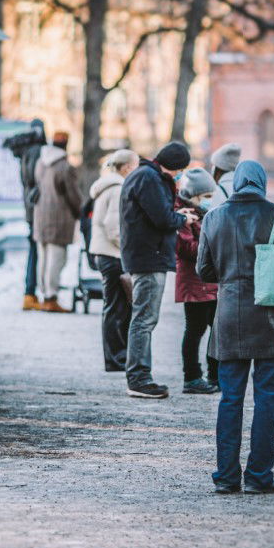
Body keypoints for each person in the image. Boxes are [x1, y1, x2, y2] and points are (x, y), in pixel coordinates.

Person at [197, 160, 274, 494]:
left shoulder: (213, 217)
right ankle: (259, 476)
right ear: (261, 182)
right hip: (271, 320)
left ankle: (226, 476)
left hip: (230, 318)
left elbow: (205, 271)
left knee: (230, 399)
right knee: (267, 400)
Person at [120, 141, 194, 399]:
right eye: (180, 171)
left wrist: (177, 213)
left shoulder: (144, 175)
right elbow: (161, 218)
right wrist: (182, 218)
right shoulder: (150, 179)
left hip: (145, 255)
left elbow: (156, 212)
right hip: (149, 257)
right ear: (173, 166)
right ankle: (139, 378)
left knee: (143, 318)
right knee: (145, 319)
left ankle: (139, 375)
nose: (180, 175)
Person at [90, 149, 138, 372]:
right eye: (135, 166)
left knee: (114, 307)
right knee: (117, 308)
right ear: (126, 167)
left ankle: (116, 357)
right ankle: (116, 358)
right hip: (113, 254)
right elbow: (113, 227)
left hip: (105, 253)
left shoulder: (106, 187)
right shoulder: (118, 190)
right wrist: (127, 247)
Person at [176, 168, 220, 395]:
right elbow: (186, 248)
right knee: (195, 330)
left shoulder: (205, 214)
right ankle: (192, 377)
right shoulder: (183, 216)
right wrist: (212, 245)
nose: (209, 200)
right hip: (193, 281)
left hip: (209, 281)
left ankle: (215, 374)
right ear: (194, 195)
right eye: (206, 196)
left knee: (216, 328)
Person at [33, 132, 82, 312]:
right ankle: (51, 297)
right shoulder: (64, 166)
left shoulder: (40, 162)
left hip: (40, 215)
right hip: (59, 217)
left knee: (43, 258)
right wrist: (79, 211)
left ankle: (44, 294)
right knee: (57, 259)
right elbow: (73, 195)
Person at [11, 120, 47, 311]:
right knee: (37, 250)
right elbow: (36, 181)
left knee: (34, 249)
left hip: (29, 208)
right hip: (37, 208)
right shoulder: (36, 152)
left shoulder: (25, 152)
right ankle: (31, 292)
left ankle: (30, 292)